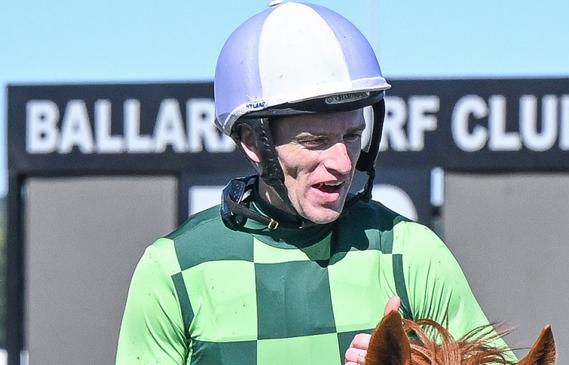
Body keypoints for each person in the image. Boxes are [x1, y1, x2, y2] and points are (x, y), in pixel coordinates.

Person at [116, 2, 511, 364]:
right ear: (253, 142)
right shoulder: (171, 269)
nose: (342, 163)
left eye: (352, 136)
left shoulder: (412, 253)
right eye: (315, 141)